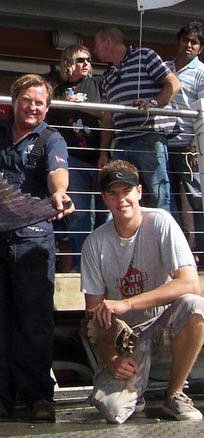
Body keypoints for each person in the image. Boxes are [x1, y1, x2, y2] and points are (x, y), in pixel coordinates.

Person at [0, 74, 74, 423]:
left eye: (40, 103)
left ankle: (39, 398)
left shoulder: (51, 138)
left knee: (35, 322)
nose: (33, 107)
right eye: (27, 100)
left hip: (33, 241)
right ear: (13, 100)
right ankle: (0, 398)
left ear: (47, 108)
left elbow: (57, 176)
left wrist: (60, 193)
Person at [82, 160, 204, 424]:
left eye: (126, 191)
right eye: (113, 193)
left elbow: (190, 283)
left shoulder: (161, 221)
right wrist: (111, 358)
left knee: (195, 305)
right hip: (125, 339)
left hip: (164, 328)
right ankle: (135, 391)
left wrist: (126, 304)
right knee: (113, 412)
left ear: (139, 191)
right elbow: (94, 314)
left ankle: (175, 394)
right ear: (104, 198)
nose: (121, 199)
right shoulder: (94, 243)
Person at [94, 26, 180, 210]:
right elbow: (108, 115)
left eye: (97, 45)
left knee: (158, 193)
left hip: (149, 136)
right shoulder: (107, 76)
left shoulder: (145, 56)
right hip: (122, 142)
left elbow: (173, 84)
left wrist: (154, 104)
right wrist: (104, 151)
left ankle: (159, 236)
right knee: (120, 191)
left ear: (108, 42)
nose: (95, 51)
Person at [50, 45, 105, 269]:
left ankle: (105, 265)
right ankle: (83, 266)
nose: (86, 64)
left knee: (105, 216)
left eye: (89, 60)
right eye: (81, 60)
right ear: (68, 63)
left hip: (99, 157)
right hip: (72, 158)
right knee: (79, 216)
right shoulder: (58, 91)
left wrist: (84, 106)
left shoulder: (97, 84)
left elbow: (108, 114)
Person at [166, 22, 204, 257]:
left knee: (196, 197)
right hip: (162, 142)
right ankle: (179, 252)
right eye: (186, 40)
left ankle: (201, 250)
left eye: (194, 42)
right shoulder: (165, 68)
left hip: (190, 145)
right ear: (178, 41)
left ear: (200, 48)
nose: (189, 45)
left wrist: (194, 145)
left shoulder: (201, 72)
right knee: (167, 199)